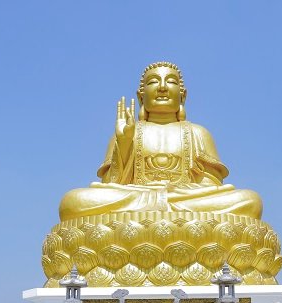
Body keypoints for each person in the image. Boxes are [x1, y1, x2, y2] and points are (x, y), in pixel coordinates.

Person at [58, 61, 263, 221]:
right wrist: (125, 142)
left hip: (183, 200)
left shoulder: (198, 133)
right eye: (153, 82)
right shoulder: (126, 133)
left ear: (182, 96)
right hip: (137, 199)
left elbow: (211, 186)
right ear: (141, 96)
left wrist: (172, 194)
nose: (163, 87)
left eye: (171, 81)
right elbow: (112, 185)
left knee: (249, 201)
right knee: (72, 202)